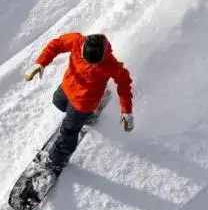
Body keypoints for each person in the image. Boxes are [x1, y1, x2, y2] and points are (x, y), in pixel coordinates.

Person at [24, 32, 134, 173]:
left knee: (68, 133)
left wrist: (126, 111)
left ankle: (55, 162)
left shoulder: (111, 65)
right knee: (57, 101)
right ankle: (90, 115)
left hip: (84, 103)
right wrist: (40, 62)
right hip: (67, 87)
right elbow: (56, 44)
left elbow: (124, 85)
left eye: (94, 63)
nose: (88, 64)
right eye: (85, 59)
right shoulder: (76, 41)